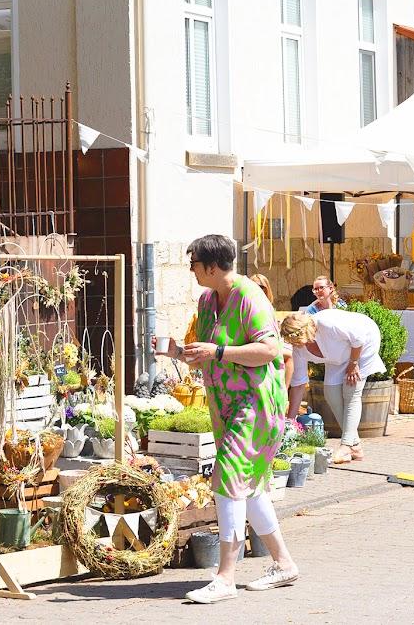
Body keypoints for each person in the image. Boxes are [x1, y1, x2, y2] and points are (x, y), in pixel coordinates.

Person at [157, 234, 299, 604]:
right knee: (248, 487)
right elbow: (207, 353)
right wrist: (179, 352)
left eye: (194, 265)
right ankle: (283, 564)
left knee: (228, 478)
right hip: (225, 405)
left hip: (256, 402)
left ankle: (225, 578)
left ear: (212, 266)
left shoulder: (251, 296)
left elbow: (270, 350)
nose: (190, 271)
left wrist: (219, 350)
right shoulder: (207, 300)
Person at [280, 309, 384, 465]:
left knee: (351, 392)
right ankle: (356, 446)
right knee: (331, 394)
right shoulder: (299, 348)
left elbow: (359, 338)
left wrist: (353, 363)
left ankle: (346, 445)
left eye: (296, 340)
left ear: (303, 331)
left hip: (363, 344)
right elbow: (299, 383)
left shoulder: (328, 323)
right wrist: (290, 421)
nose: (295, 345)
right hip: (338, 356)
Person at [251, 274, 293, 394]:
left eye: (262, 287)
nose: (259, 289)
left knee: (292, 354)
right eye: (255, 286)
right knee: (289, 356)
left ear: (267, 289)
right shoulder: (249, 306)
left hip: (270, 343)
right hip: (257, 344)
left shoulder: (268, 308)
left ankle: (283, 393)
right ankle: (283, 393)